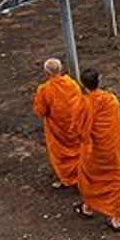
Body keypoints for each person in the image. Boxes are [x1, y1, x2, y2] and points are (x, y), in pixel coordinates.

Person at [73, 69, 120, 231]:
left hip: (95, 151)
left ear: (83, 85)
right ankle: (115, 218)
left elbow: (79, 129)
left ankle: (88, 208)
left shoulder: (84, 104)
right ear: (100, 80)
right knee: (116, 180)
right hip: (113, 148)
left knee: (91, 179)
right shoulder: (111, 100)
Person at [31, 58, 84, 189]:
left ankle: (68, 178)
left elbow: (40, 111)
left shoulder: (44, 90)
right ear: (61, 70)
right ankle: (83, 175)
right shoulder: (72, 84)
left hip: (57, 130)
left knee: (62, 155)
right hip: (75, 126)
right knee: (78, 150)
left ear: (46, 73)